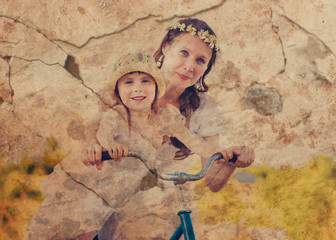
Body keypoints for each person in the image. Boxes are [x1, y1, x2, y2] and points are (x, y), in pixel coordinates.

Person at [26, 51, 231, 240]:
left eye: (145, 81)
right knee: (79, 231)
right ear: (118, 91)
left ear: (157, 88)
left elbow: (190, 138)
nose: (138, 88)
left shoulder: (165, 116)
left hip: (121, 190)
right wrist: (110, 147)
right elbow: (103, 134)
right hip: (94, 184)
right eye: (128, 82)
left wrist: (214, 152)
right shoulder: (116, 115)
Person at [83, 18, 255, 192]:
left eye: (200, 60)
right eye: (184, 53)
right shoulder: (130, 83)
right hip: (102, 187)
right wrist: (93, 143)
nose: (189, 67)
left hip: (159, 199)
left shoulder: (199, 108)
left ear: (206, 67)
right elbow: (94, 125)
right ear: (165, 46)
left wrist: (230, 158)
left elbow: (213, 181)